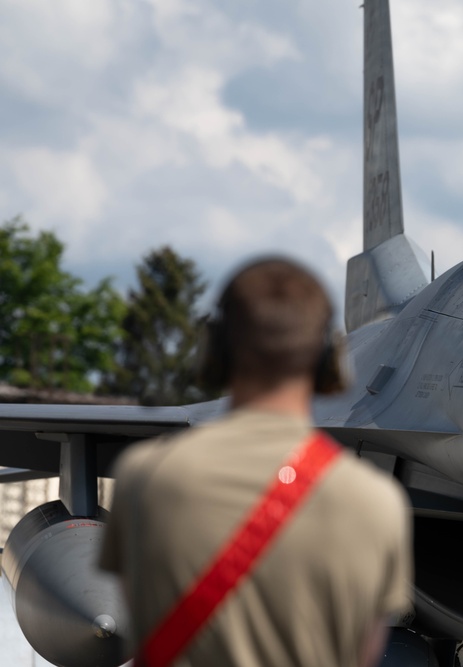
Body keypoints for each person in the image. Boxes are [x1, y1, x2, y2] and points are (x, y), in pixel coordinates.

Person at [99, 256, 412, 667]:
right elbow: (367, 647)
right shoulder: (376, 501)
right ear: (330, 361)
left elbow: (136, 613)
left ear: (215, 351)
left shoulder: (147, 476)